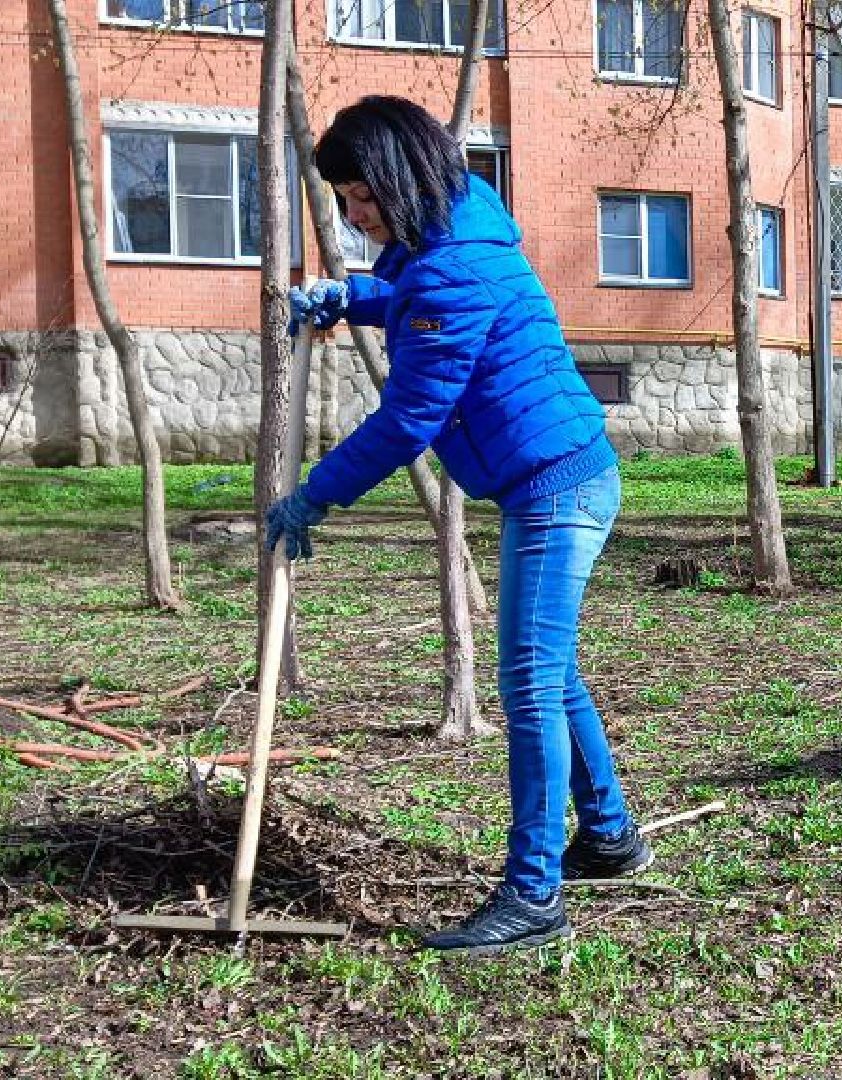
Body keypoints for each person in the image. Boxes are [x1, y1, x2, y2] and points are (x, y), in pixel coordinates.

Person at [264, 95, 649, 955]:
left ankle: (533, 895)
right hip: (552, 477)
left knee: (528, 685)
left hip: (555, 490)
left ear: (399, 181)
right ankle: (611, 835)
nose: (355, 217)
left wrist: (314, 496)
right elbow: (410, 295)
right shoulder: (456, 229)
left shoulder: (449, 270)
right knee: (551, 672)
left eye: (362, 199)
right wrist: (351, 298)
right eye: (347, 203)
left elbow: (408, 420)